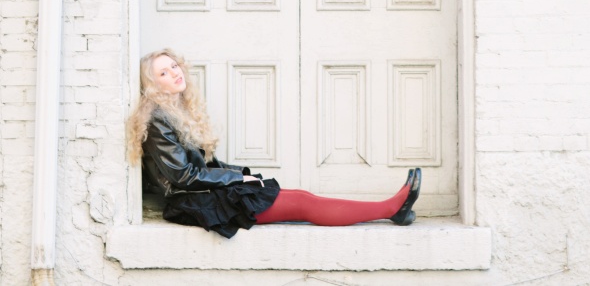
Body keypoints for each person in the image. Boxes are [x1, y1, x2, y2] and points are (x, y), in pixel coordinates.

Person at [127, 48, 422, 239]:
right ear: (153, 84)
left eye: (174, 66)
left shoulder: (174, 110)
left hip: (204, 192)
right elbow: (183, 176)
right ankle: (389, 209)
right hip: (193, 201)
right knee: (304, 204)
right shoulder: (156, 118)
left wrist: (240, 175)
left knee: (300, 196)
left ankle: (389, 209)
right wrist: (235, 178)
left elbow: (200, 165)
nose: (175, 73)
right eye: (163, 73)